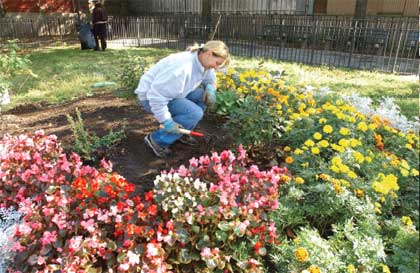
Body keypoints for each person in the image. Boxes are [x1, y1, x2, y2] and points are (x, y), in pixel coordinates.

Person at [135, 40, 231, 158]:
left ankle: (181, 131)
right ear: (209, 54)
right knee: (194, 113)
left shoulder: (203, 61)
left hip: (175, 93)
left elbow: (209, 79)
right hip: (150, 98)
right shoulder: (182, 68)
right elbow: (156, 97)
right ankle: (157, 140)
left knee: (202, 97)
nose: (216, 68)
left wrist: (210, 89)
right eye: (217, 63)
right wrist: (167, 122)